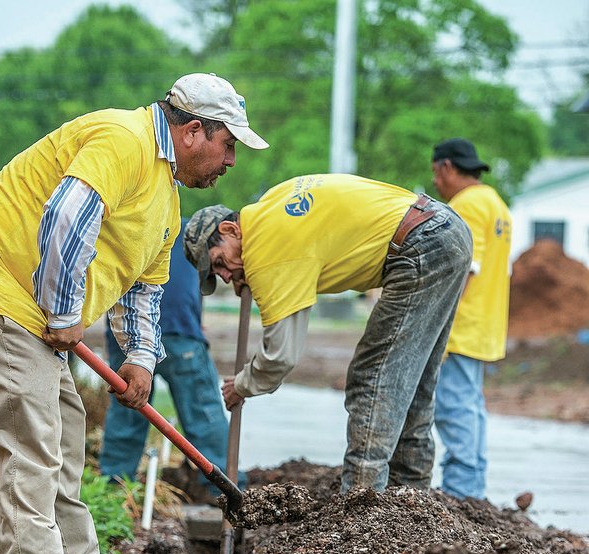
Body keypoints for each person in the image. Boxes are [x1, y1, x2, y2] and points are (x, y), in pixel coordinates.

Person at [0, 74, 267, 554]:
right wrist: (62, 314)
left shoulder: (166, 201)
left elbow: (144, 293)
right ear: (195, 131)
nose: (230, 161)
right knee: (28, 437)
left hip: (29, 310)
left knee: (64, 434)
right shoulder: (122, 138)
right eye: (229, 145)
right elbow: (66, 218)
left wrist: (141, 360)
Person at [183, 174, 473, 494]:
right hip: (443, 228)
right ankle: (411, 499)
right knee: (410, 383)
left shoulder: (266, 250)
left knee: (372, 378)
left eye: (220, 263)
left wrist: (242, 384)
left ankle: (361, 506)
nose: (225, 276)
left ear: (229, 229)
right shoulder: (270, 206)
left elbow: (281, 356)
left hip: (420, 242)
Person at [99, 219, 244, 499]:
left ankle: (115, 488)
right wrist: (195, 323)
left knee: (127, 410)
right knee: (203, 413)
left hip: (126, 330)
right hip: (179, 329)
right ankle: (227, 490)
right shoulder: (191, 233)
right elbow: (196, 288)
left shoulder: (126, 220)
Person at [431, 138, 512, 499]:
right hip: (486, 326)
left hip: (460, 327)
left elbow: (463, 269)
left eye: (435, 173)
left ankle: (461, 494)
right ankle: (473, 490)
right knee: (472, 408)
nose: (435, 182)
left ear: (447, 167)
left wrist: (435, 320)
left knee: (454, 408)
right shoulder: (496, 204)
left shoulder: (465, 206)